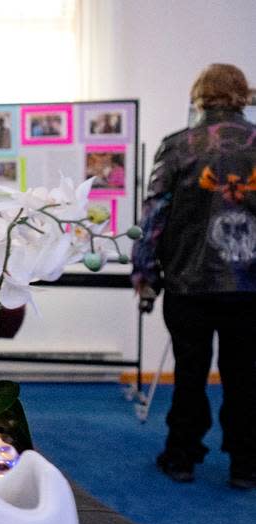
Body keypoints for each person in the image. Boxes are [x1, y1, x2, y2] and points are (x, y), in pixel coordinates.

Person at [132, 63, 256, 490]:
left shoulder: (178, 146)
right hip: (249, 286)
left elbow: (154, 218)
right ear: (244, 96)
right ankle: (245, 464)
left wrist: (144, 273)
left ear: (198, 97)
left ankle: (181, 457)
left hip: (189, 283)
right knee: (245, 375)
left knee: (190, 372)